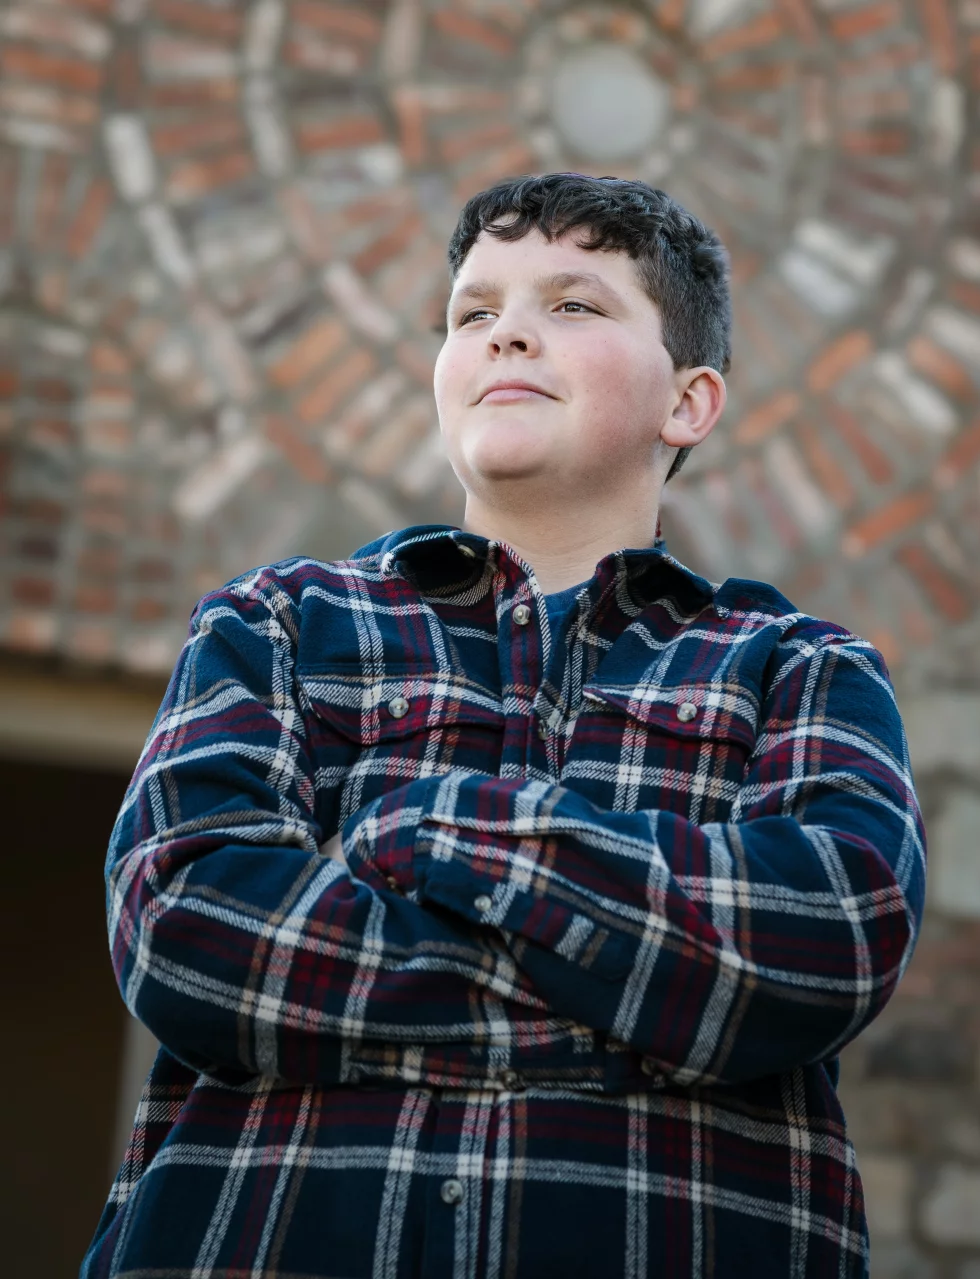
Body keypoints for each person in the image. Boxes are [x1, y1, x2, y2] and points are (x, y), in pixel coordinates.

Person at [82, 173, 925, 1278]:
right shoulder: (277, 623)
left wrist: (425, 832)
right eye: (473, 313)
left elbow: (826, 938)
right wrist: (637, 1007)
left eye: (573, 305)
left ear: (688, 403)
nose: (507, 334)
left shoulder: (799, 670)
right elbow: (185, 926)